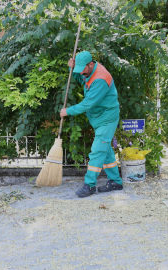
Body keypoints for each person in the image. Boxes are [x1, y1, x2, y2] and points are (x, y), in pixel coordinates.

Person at [60, 51, 123, 197]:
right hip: (100, 117)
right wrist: (72, 69)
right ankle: (116, 182)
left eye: (83, 69)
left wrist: (67, 111)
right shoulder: (88, 72)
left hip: (107, 118)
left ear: (91, 64)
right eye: (79, 69)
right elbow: (82, 79)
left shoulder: (100, 79)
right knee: (105, 150)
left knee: (97, 151)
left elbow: (88, 103)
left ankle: (89, 185)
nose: (81, 72)